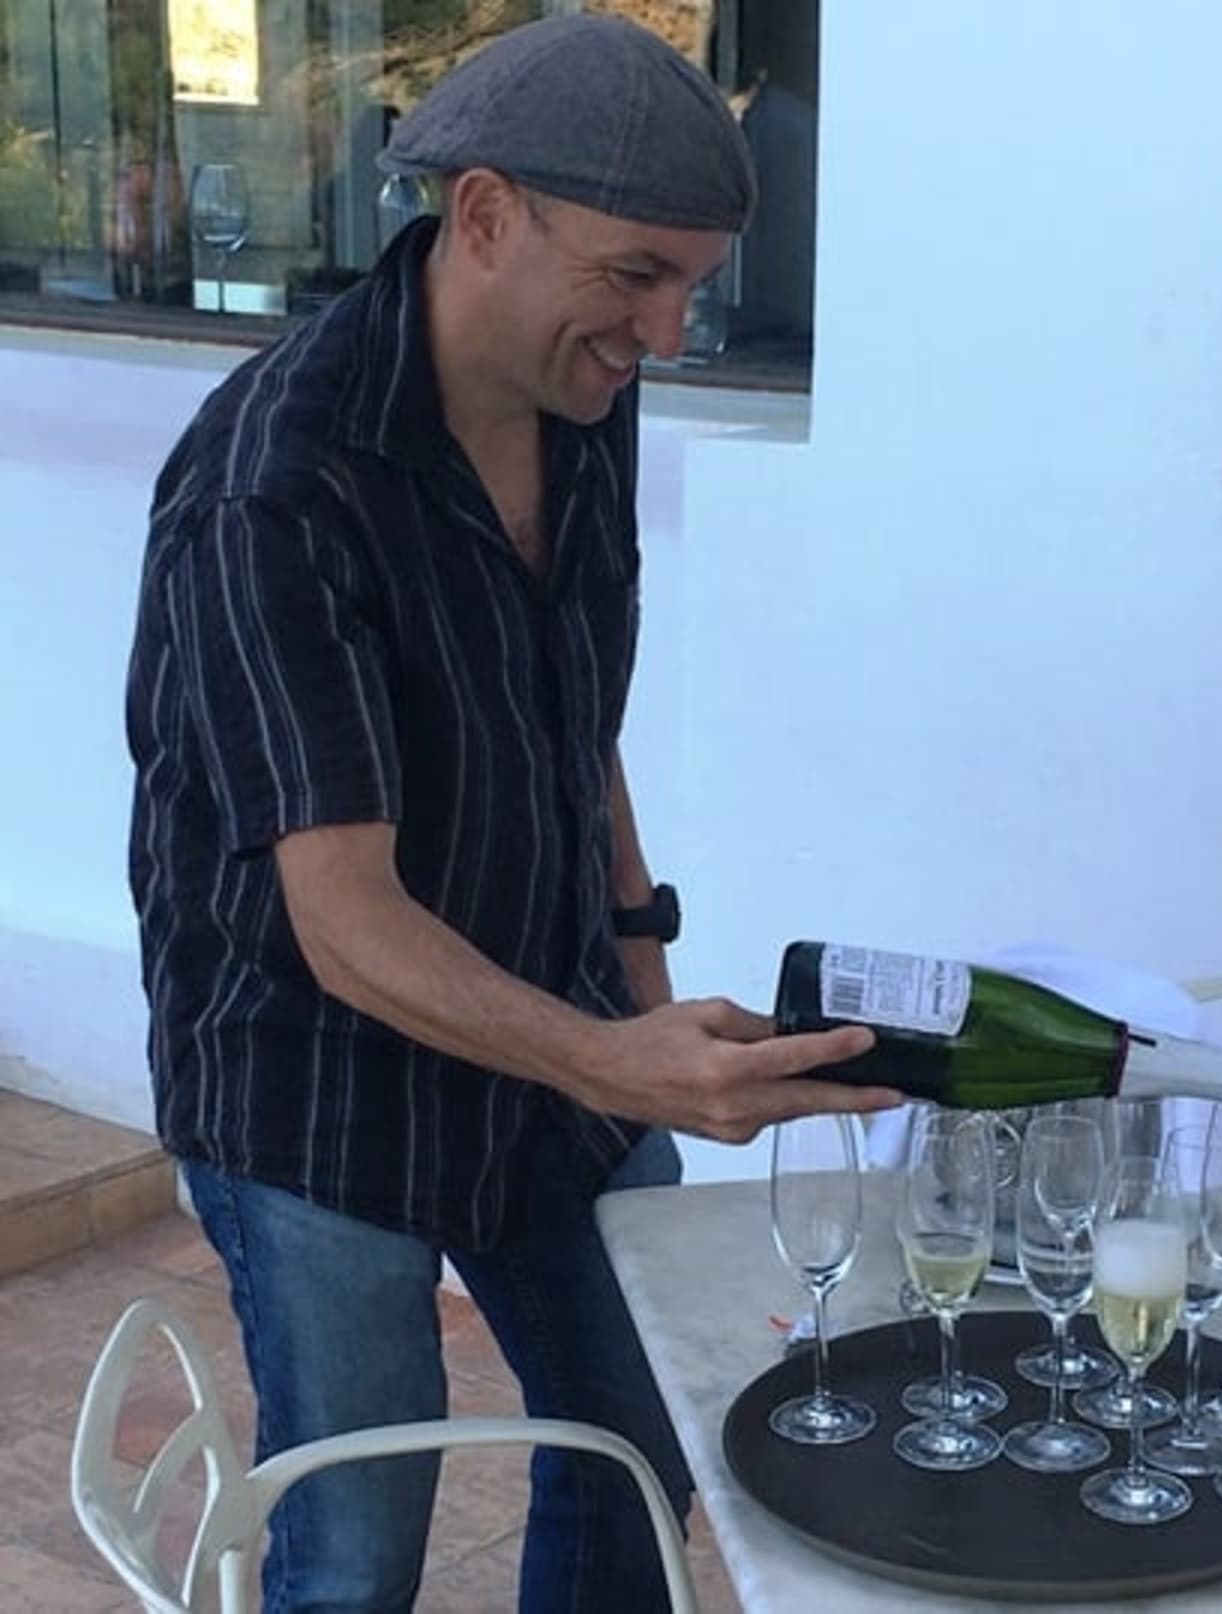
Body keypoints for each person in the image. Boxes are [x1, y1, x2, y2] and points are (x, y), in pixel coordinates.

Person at [125, 16, 899, 1613]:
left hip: (554, 1036)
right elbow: (341, 919)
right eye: (636, 274)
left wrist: (636, 974)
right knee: (357, 1531)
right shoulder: (273, 484)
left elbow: (571, 713)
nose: (669, 331)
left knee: (642, 1431)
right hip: (315, 1082)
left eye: (693, 281)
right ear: (482, 216)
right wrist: (623, 1061)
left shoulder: (584, 396)